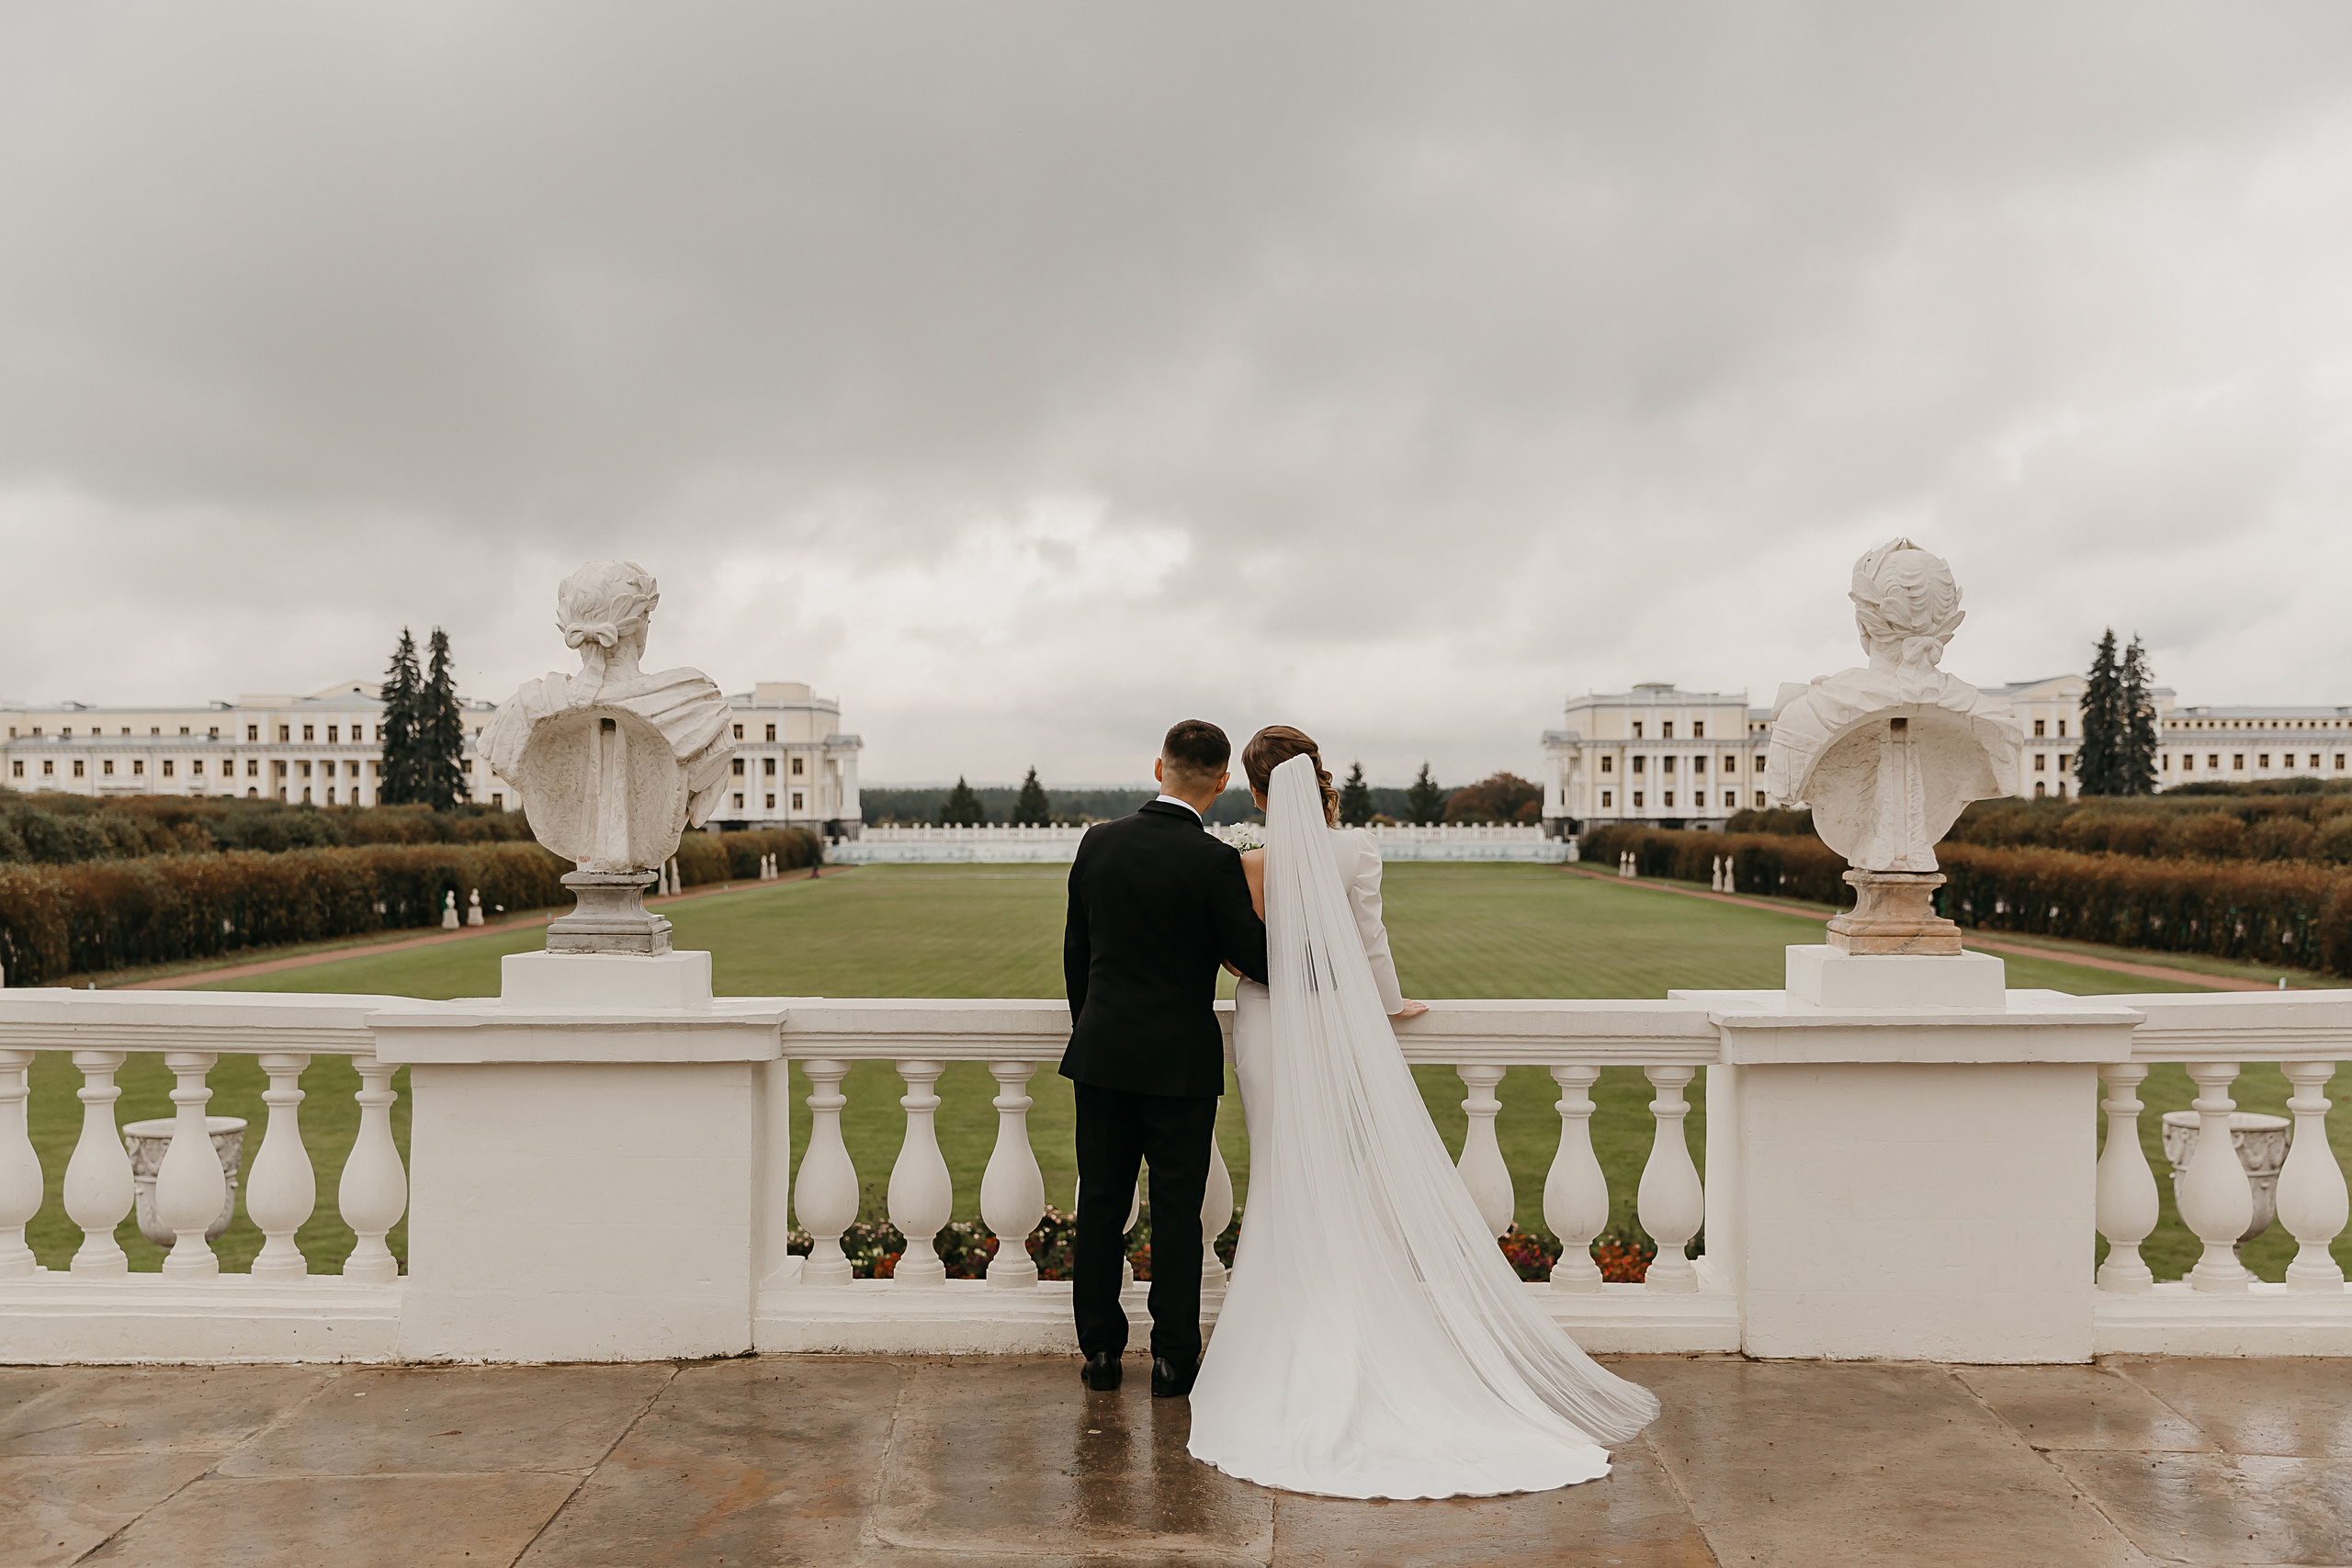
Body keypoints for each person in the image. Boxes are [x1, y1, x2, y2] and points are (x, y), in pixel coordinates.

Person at [1187, 728, 1660, 1499]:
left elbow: (1242, 955)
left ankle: (1294, 1325)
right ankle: (1366, 1323)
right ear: (1318, 778)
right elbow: (1371, 944)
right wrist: (1390, 1004)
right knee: (1343, 1168)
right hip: (1340, 1022)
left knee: (1279, 1167)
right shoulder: (1355, 853)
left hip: (1269, 1026)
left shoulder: (1246, 862)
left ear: (1257, 790)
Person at [1059, 719, 1269, 1398]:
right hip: (1179, 1062)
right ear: (1222, 781)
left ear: (1159, 767)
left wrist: (1094, 1027)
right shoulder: (1214, 863)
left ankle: (1098, 1350)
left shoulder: (1098, 843)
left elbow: (1076, 954)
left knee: (1101, 1203)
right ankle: (1175, 1357)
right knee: (1178, 1213)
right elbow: (1256, 957)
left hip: (1102, 1052)